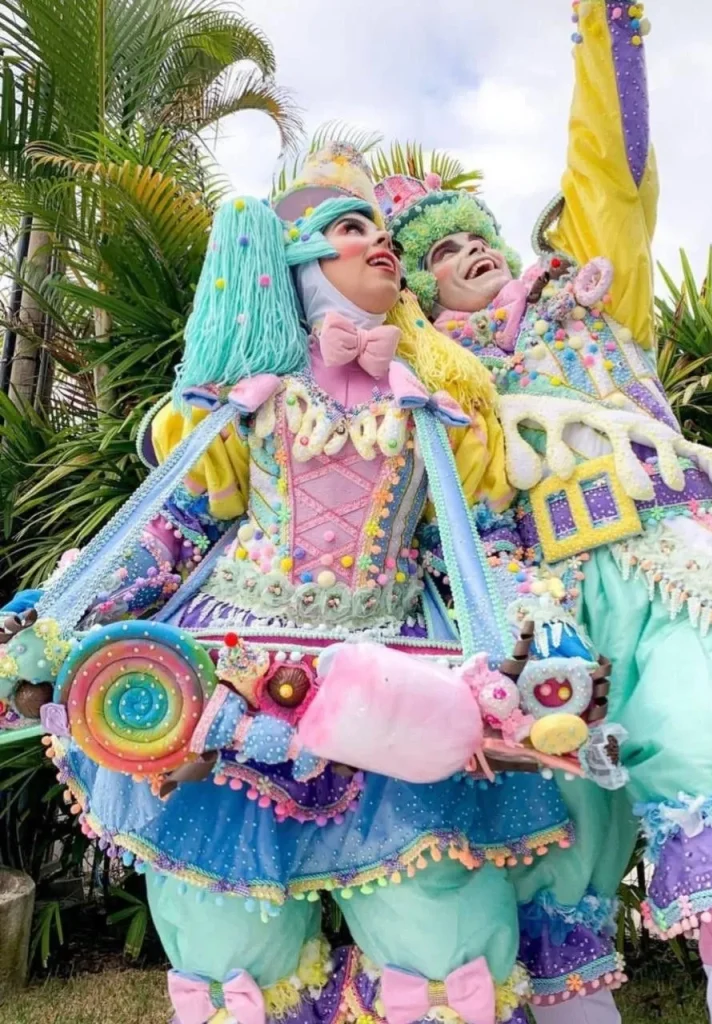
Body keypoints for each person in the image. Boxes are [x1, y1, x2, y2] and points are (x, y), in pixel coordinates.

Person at [0, 144, 625, 1024]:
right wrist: (56, 625)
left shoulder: (437, 409)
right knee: (228, 952)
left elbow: (477, 547)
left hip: (401, 676)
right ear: (287, 265)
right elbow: (172, 530)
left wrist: (537, 641)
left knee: (440, 938)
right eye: (349, 229)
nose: (381, 247)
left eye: (382, 234)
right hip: (234, 681)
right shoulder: (237, 401)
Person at [377, 3, 712, 1022]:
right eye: (443, 250)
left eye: (476, 234)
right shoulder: (424, 376)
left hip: (664, 564)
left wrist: (604, 26)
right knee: (559, 845)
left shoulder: (591, 291)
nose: (470, 251)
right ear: (416, 287)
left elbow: (611, 174)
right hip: (531, 610)